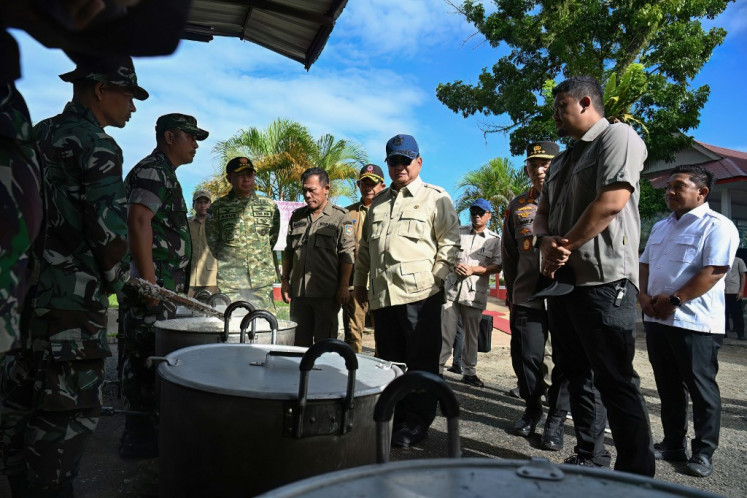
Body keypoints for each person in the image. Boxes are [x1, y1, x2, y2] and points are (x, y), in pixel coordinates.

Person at [0, 55, 145, 496]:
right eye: (129, 96)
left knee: (18, 418)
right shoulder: (98, 145)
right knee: (60, 431)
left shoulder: (38, 134)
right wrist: (123, 282)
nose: (132, 108)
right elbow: (109, 235)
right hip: (71, 313)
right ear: (100, 89)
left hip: (22, 306)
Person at [533, 76, 655, 476]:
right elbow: (542, 215)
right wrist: (545, 241)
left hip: (605, 283)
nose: (555, 117)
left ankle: (637, 475)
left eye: (560, 108)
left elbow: (611, 201)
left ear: (585, 102)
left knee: (615, 380)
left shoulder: (618, 137)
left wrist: (561, 244)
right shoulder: (564, 159)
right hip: (564, 285)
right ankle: (591, 456)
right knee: (576, 375)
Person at [354, 134, 460, 448]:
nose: (399, 166)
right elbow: (365, 250)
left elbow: (450, 244)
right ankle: (394, 418)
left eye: (405, 159)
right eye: (394, 160)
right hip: (384, 297)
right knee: (389, 362)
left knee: (421, 362)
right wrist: (360, 284)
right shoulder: (379, 202)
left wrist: (436, 281)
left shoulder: (435, 197)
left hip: (420, 296)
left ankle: (416, 424)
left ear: (418, 162)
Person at [639, 164, 739, 478]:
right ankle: (672, 443)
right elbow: (644, 263)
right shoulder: (660, 226)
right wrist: (643, 297)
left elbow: (714, 271)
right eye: (668, 186)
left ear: (702, 192)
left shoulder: (718, 226)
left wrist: (676, 300)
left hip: (694, 322)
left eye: (677, 186)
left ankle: (703, 451)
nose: (669, 192)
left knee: (701, 389)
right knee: (668, 387)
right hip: (657, 320)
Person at [120, 113, 208, 458]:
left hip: (162, 285)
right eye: (191, 137)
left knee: (152, 355)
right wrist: (149, 284)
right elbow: (138, 220)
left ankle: (149, 433)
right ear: (170, 137)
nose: (196, 144)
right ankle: (138, 438)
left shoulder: (165, 173)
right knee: (142, 357)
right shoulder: (153, 170)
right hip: (152, 286)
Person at [502, 141, 570, 451]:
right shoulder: (517, 206)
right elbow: (509, 253)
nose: (539, 169)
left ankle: (557, 417)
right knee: (526, 356)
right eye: (533, 164)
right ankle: (532, 408)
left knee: (566, 359)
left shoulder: (573, 198)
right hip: (528, 294)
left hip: (566, 295)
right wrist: (513, 292)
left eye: (545, 163)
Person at [281, 168, 355, 346]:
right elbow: (289, 251)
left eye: (312, 190)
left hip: (326, 294)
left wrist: (344, 286)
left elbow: (347, 254)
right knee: (299, 344)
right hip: (300, 294)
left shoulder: (341, 217)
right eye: (304, 190)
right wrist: (285, 280)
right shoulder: (297, 217)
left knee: (325, 345)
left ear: (326, 188)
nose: (307, 195)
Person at [439, 198, 501, 388]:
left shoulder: (494, 240)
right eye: (474, 211)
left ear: (489, 216)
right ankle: (438, 369)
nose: (476, 215)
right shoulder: (459, 233)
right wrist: (454, 265)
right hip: (452, 290)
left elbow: (498, 266)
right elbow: (446, 254)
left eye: (481, 212)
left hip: (474, 293)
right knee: (445, 332)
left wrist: (474, 270)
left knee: (471, 335)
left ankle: (469, 372)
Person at [207, 157, 280, 309]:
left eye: (250, 174)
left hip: (262, 283)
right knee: (231, 325)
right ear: (229, 178)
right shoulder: (218, 208)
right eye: (240, 174)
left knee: (265, 326)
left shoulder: (269, 206)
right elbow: (213, 243)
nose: (246, 178)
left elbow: (271, 238)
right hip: (230, 284)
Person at [343, 164, 386, 352]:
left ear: (382, 186)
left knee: (384, 334)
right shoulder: (347, 213)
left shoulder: (389, 211)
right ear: (358, 185)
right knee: (353, 332)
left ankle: (382, 375)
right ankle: (352, 371)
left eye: (373, 184)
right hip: (354, 282)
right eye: (364, 183)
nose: (368, 188)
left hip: (382, 282)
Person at [188, 190, 219, 297]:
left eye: (206, 202)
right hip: (190, 277)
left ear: (210, 205)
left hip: (211, 278)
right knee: (189, 309)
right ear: (194, 205)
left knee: (212, 310)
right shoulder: (186, 224)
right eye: (199, 202)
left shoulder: (217, 224)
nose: (203, 205)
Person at [724, 255, 746, 340]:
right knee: (723, 313)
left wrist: (741, 290)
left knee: (737, 313)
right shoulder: (723, 260)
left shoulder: (738, 261)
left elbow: (743, 275)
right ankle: (724, 333)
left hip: (734, 291)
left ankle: (740, 334)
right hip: (723, 290)